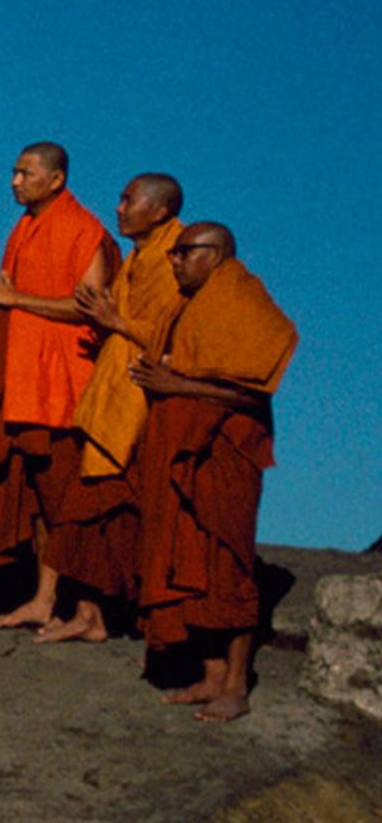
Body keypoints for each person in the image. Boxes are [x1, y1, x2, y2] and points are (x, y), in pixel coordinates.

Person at [131, 223, 298, 723]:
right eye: (174, 253)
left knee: (227, 562)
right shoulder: (189, 304)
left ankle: (237, 682)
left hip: (224, 453)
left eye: (185, 252)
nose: (174, 261)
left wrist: (177, 386)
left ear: (217, 254)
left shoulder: (245, 301)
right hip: (179, 451)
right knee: (188, 560)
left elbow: (252, 391)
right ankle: (208, 674)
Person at [0, 141, 110, 630]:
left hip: (62, 381)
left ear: (57, 179)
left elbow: (86, 306)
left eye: (25, 173)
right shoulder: (24, 228)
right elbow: (15, 301)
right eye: (14, 172)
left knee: (68, 498)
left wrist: (14, 298)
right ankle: (45, 599)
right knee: (39, 499)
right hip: (24, 380)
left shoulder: (83, 228)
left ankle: (86, 610)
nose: (15, 181)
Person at [42, 173, 189, 644]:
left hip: (144, 399)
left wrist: (114, 320)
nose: (119, 207)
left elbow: (181, 340)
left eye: (129, 200)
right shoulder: (137, 258)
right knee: (88, 507)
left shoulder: (177, 260)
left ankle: (113, 614)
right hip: (112, 394)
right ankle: (90, 614)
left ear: (161, 210)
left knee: (121, 509)